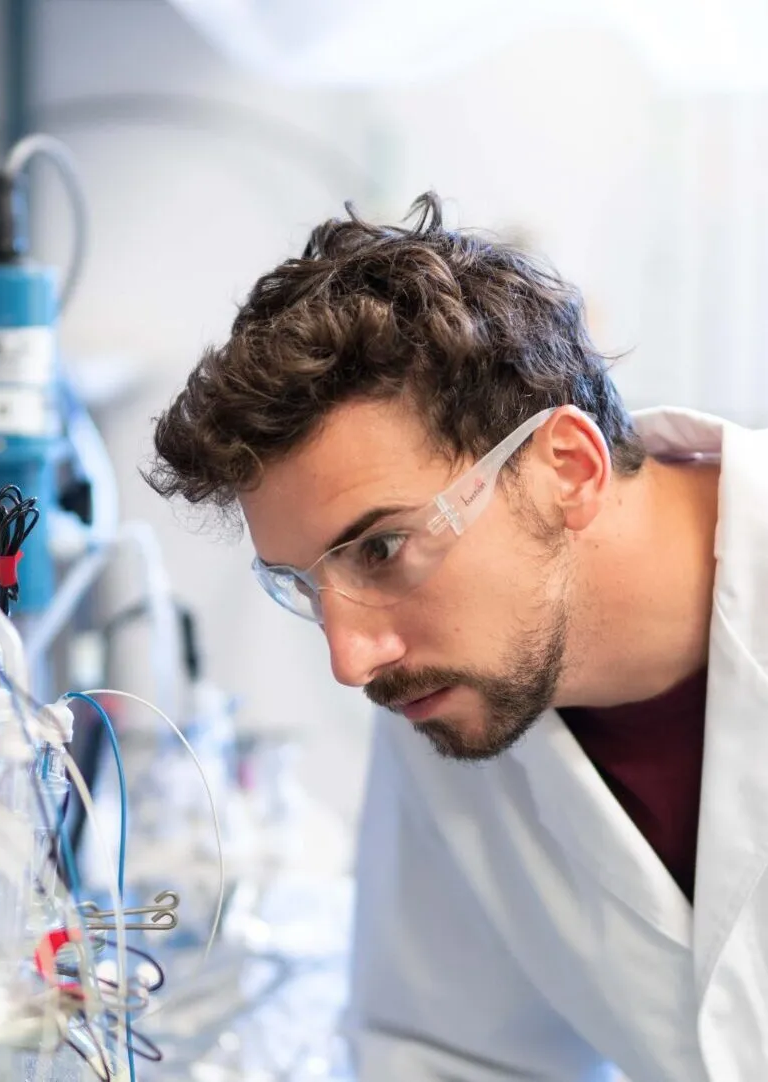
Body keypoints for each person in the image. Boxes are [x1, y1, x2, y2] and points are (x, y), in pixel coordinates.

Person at [144, 193, 768, 1082]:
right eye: (303, 587)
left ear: (567, 470)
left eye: (384, 548)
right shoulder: (453, 699)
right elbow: (451, 1054)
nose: (352, 660)